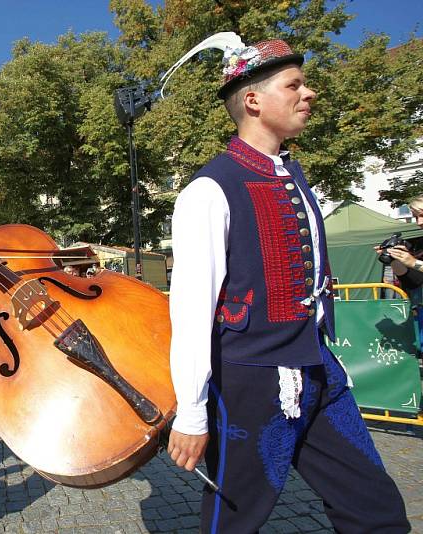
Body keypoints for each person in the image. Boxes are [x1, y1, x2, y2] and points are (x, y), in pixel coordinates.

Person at [167, 40, 410, 532]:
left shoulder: (292, 175)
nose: (309, 93)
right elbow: (192, 309)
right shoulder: (209, 189)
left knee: (376, 510)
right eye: (294, 85)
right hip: (251, 383)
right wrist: (191, 414)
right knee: (233, 523)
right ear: (253, 101)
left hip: (320, 370)